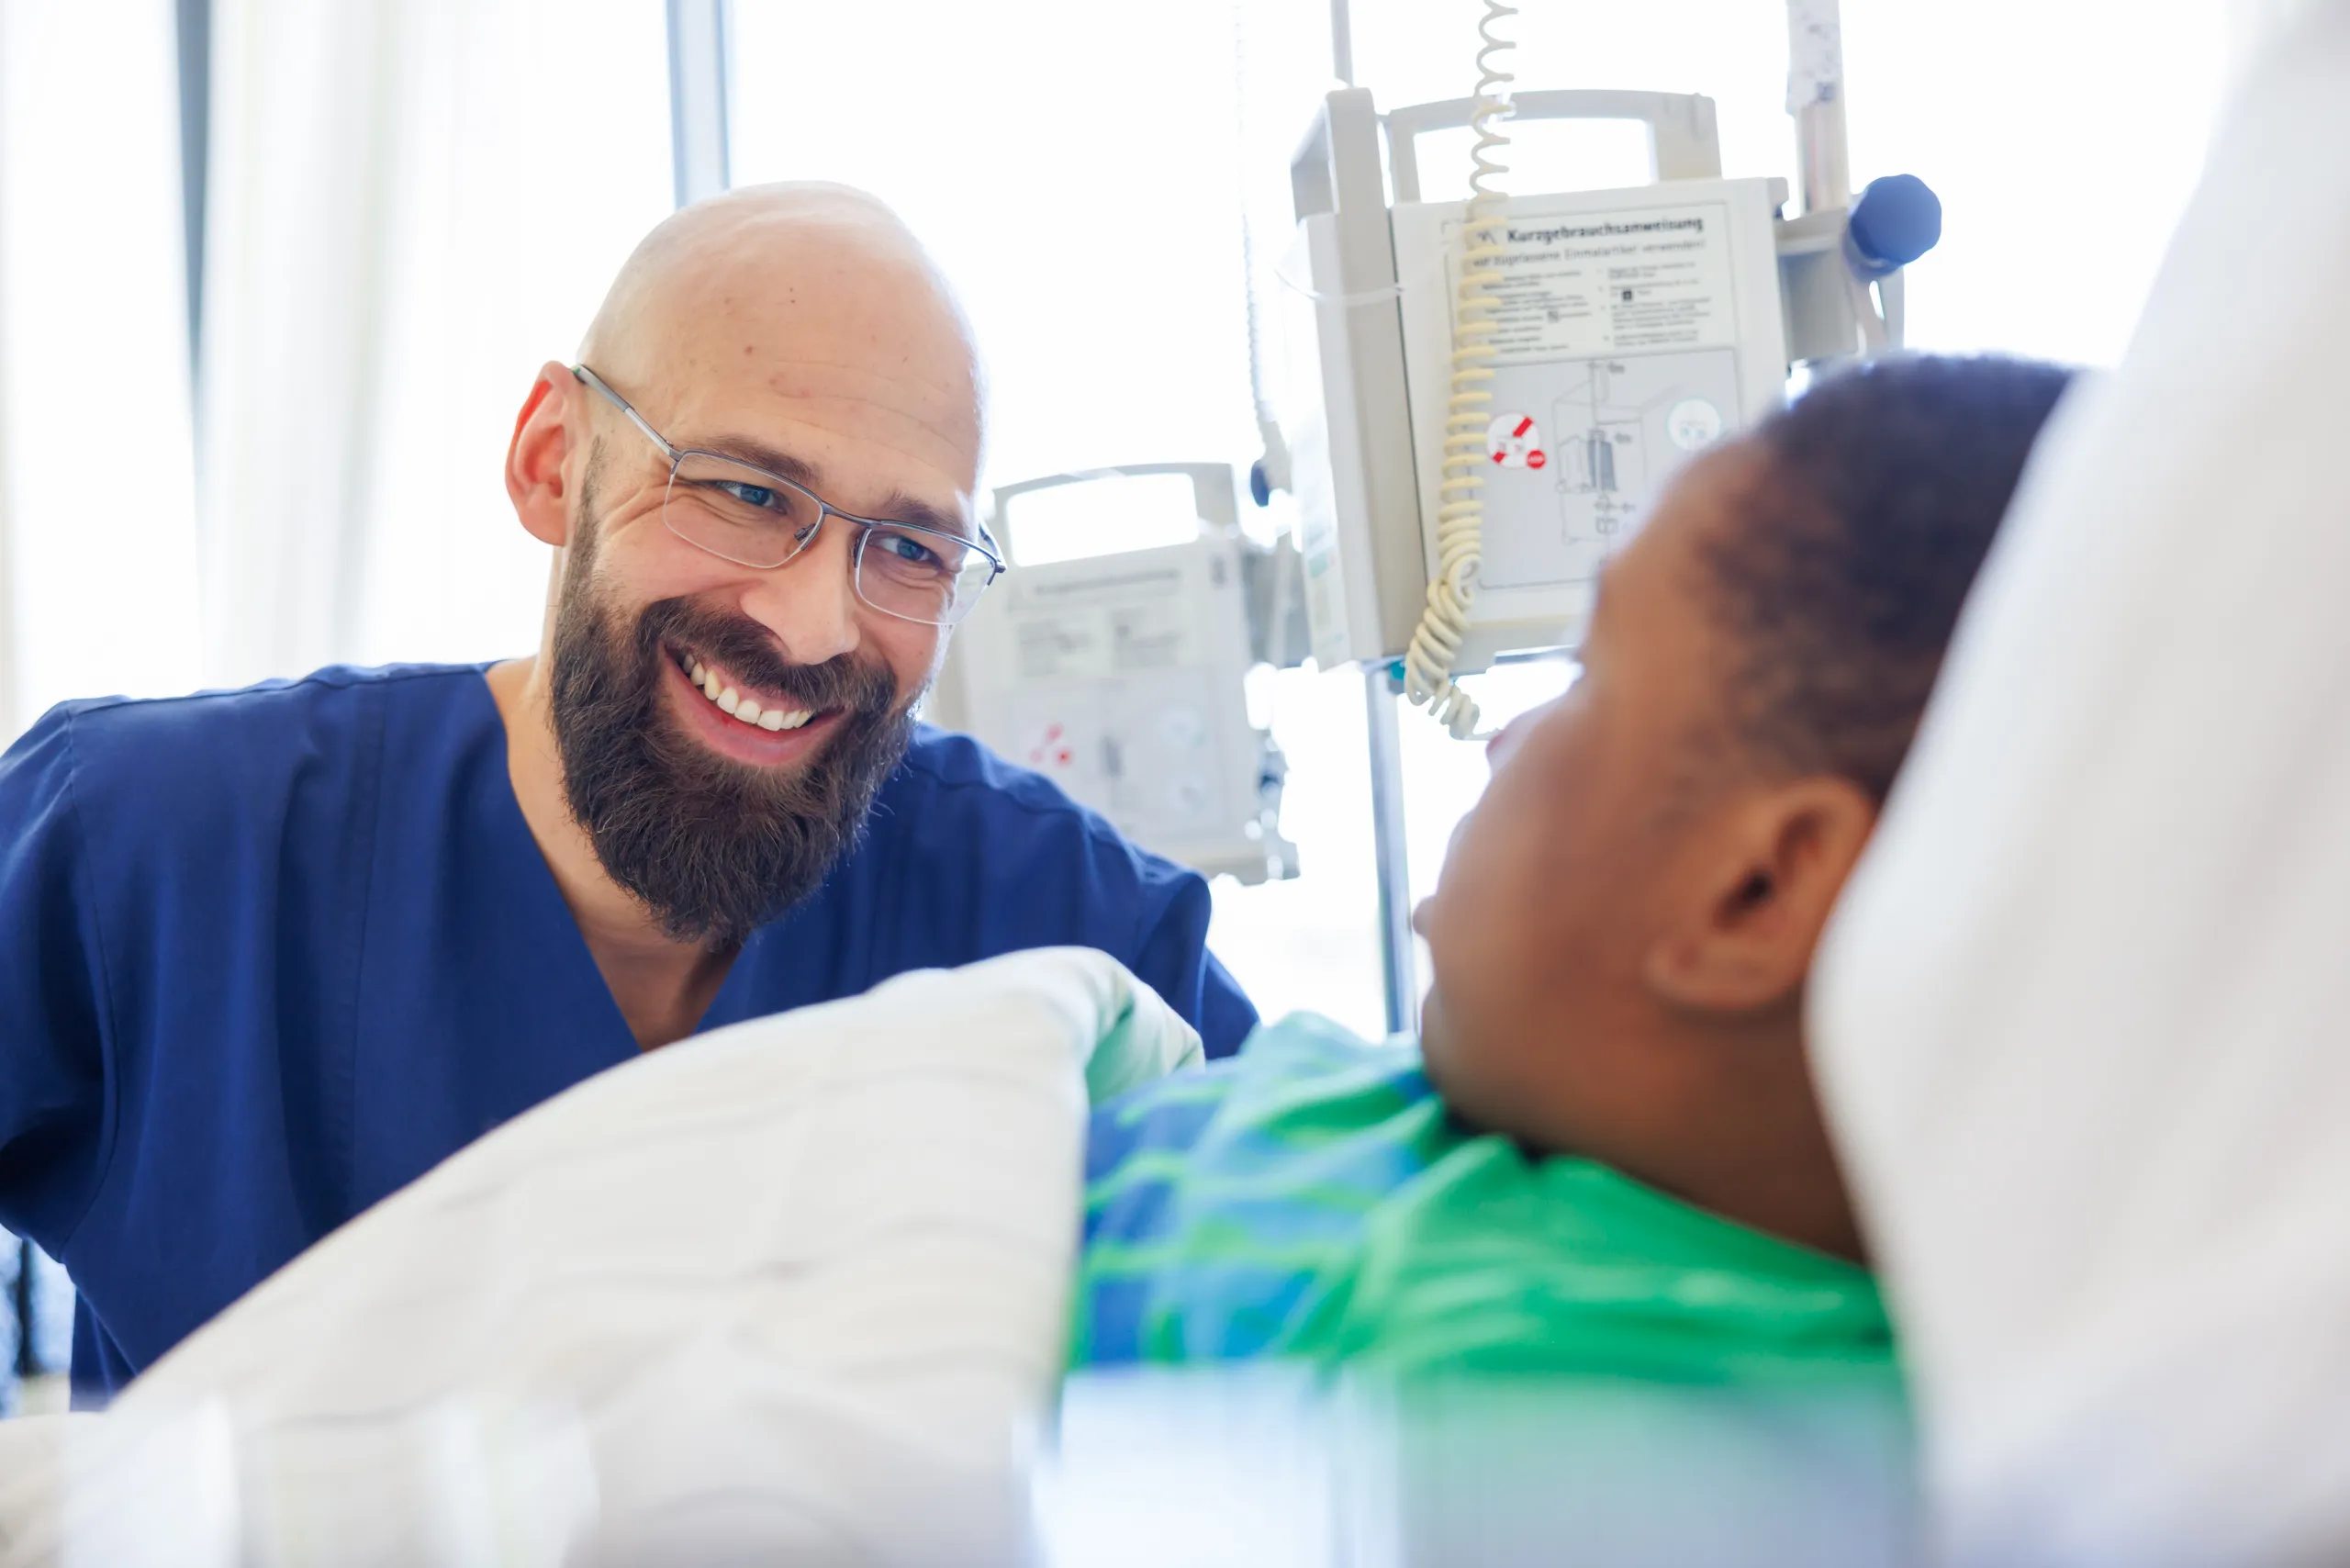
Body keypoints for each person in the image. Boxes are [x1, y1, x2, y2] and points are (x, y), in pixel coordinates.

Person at [0, 183, 1256, 1402]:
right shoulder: (145, 851)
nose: (815, 624)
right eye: (747, 494)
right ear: (554, 463)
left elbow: (1365, 1263)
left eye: (911, 548)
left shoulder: (1061, 925)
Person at [1072, 354, 2073, 1380]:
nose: (1500, 733)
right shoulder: (1498, 1099)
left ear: (1754, 893)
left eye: (1585, 671)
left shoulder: (1528, 1397)